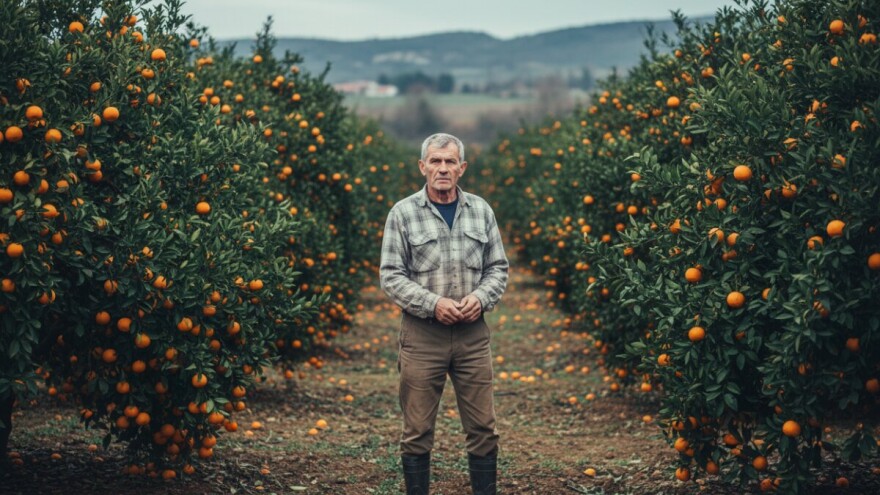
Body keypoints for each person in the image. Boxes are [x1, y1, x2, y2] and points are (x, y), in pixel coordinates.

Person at [380, 133, 509, 495]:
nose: (442, 168)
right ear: (422, 166)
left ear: (461, 168)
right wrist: (433, 303)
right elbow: (391, 275)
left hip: (472, 336)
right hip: (422, 336)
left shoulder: (481, 210)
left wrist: (480, 298)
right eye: (435, 161)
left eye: (450, 161)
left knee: (483, 428)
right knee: (417, 430)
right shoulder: (403, 213)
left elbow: (498, 268)